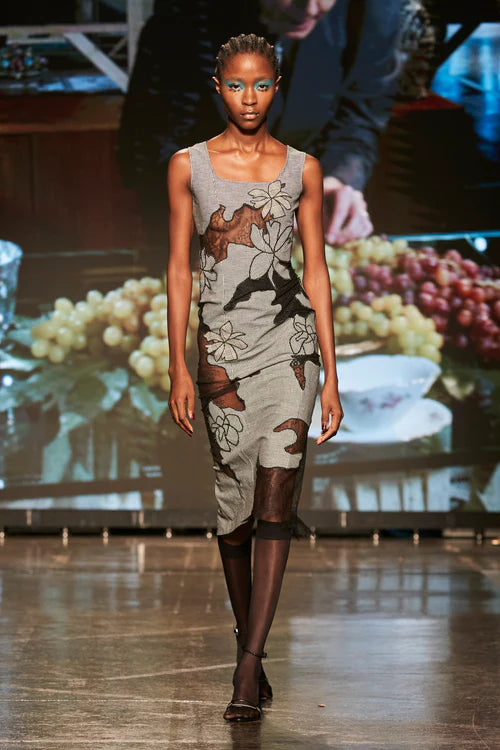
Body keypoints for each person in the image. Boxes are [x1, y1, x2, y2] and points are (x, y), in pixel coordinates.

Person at [166, 33, 343, 722]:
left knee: (276, 495)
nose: (249, 98)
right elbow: (179, 269)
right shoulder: (188, 166)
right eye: (237, 85)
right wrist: (178, 364)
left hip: (290, 347)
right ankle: (252, 647)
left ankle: (247, 664)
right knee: (236, 515)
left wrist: (331, 376)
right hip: (221, 353)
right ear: (218, 87)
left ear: (277, 87)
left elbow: (317, 272)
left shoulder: (303, 169)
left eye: (261, 84)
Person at [118, 0, 402, 273]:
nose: (310, 8)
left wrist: (341, 176)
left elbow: (360, 112)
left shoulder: (374, 10)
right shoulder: (187, 16)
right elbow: (152, 148)